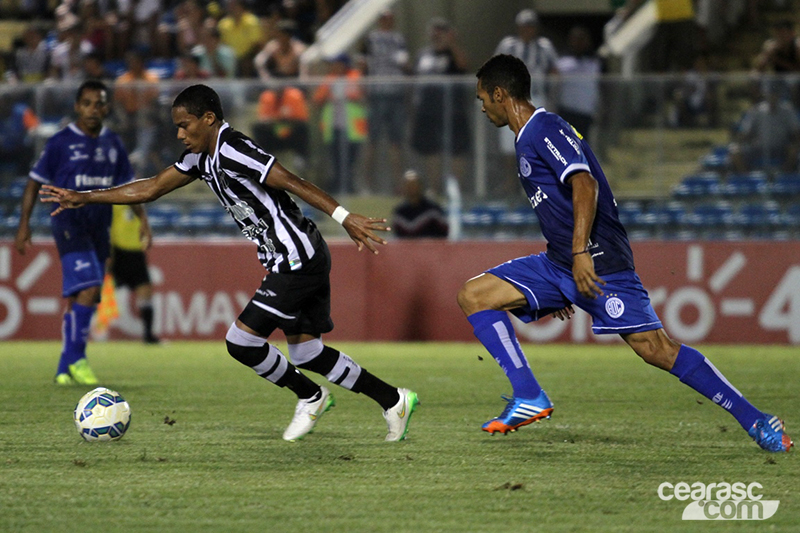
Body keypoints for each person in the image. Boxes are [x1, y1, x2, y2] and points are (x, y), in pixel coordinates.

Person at [40, 84, 419, 443]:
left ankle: (310, 396)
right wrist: (85, 197)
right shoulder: (198, 158)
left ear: (208, 119)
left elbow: (289, 179)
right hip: (292, 257)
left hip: (296, 257)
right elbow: (151, 188)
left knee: (241, 341)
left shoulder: (233, 147)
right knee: (307, 353)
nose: (179, 135)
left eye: (184, 125)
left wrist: (344, 216)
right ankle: (393, 400)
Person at [459, 54, 792, 452]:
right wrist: (561, 278)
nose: (481, 107)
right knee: (474, 295)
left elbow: (584, 184)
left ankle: (757, 420)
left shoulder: (543, 127)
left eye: (483, 98)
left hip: (599, 262)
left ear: (500, 94)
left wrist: (580, 252)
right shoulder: (525, 136)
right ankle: (529, 395)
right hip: (559, 263)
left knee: (657, 350)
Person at [15, 80, 135, 386]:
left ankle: (63, 367)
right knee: (90, 286)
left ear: (107, 107)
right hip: (69, 224)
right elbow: (33, 182)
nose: (93, 109)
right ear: (77, 106)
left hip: (100, 226)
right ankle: (79, 359)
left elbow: (129, 189)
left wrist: (142, 220)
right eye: (87, 103)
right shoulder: (60, 142)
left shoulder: (113, 144)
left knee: (81, 296)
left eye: (99, 103)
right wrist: (24, 224)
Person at [410, 17, 471, 195]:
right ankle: (434, 188)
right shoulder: (423, 54)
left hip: (453, 111)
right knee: (431, 151)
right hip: (427, 111)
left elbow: (464, 65)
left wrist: (451, 43)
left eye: (441, 30)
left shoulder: (454, 54)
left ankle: (455, 188)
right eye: (434, 30)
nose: (437, 34)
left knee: (457, 150)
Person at [360, 9, 410, 193]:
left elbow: (404, 63)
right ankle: (366, 183)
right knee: (371, 140)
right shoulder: (370, 39)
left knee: (395, 141)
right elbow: (362, 63)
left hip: (395, 93)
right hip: (377, 93)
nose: (386, 22)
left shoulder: (399, 39)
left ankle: (398, 183)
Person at [312, 54, 367, 195]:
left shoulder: (355, 76)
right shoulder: (329, 80)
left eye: (336, 64)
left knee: (351, 161)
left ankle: (351, 187)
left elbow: (361, 96)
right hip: (334, 127)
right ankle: (339, 187)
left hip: (352, 128)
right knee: (336, 160)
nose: (333, 67)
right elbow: (317, 100)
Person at [109, 204, 159, 344]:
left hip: (136, 253)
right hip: (118, 252)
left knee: (145, 291)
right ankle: (88, 330)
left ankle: (148, 335)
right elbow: (108, 227)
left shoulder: (139, 202)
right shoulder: (115, 202)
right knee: (100, 292)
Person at [391, 170, 448, 239]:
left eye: (414, 185)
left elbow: (444, 232)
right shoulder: (400, 212)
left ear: (420, 186)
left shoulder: (433, 210)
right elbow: (398, 236)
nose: (411, 189)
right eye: (408, 186)